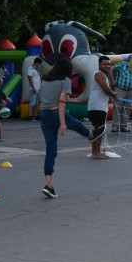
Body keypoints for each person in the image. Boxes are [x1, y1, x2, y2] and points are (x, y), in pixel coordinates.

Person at [39, 57, 106, 198]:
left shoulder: (45, 79)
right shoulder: (65, 81)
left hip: (44, 115)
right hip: (56, 112)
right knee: (74, 123)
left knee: (51, 149)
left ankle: (48, 184)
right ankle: (90, 135)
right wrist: (62, 124)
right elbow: (62, 102)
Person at [88, 56, 118, 159]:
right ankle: (96, 152)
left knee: (98, 128)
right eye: (105, 64)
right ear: (99, 65)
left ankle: (95, 151)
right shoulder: (100, 74)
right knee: (100, 129)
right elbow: (106, 89)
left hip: (96, 105)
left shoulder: (101, 74)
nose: (107, 66)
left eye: (109, 64)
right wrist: (114, 94)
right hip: (98, 106)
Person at [109, 54, 132, 133]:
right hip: (120, 89)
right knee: (117, 107)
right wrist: (112, 80)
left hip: (130, 90)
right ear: (131, 60)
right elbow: (111, 68)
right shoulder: (123, 64)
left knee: (127, 109)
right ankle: (115, 126)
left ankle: (124, 126)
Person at [27, 57, 42, 121]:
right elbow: (30, 79)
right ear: (37, 63)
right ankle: (30, 115)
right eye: (39, 64)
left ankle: (35, 115)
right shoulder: (30, 69)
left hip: (38, 88)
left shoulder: (35, 69)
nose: (39, 65)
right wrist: (33, 88)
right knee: (32, 102)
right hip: (34, 88)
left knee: (36, 103)